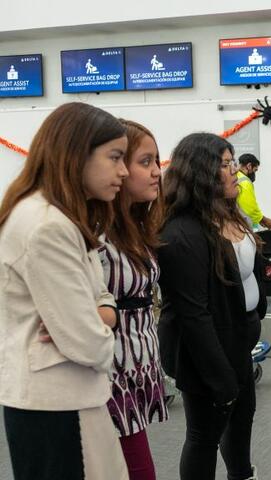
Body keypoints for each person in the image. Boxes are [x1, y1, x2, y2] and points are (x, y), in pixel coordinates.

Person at [0, 102, 129, 480]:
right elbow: (89, 344)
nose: (122, 171)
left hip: (64, 399)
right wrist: (97, 328)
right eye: (115, 157)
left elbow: (103, 302)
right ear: (75, 154)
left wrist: (100, 316)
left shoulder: (61, 217)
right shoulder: (47, 226)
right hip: (57, 405)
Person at [157, 133, 266, 480]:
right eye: (225, 164)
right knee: (205, 435)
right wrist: (220, 378)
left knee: (240, 419)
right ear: (201, 172)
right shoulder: (182, 232)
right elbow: (194, 316)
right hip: (207, 351)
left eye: (233, 162)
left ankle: (241, 474)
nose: (235, 171)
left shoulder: (230, 213)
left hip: (238, 341)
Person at [100, 119, 168, 480]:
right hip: (108, 373)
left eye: (157, 161)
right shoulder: (94, 232)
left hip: (136, 362)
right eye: (146, 162)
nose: (157, 172)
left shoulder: (137, 225)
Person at [236, 153, 271, 229]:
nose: (254, 174)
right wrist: (264, 220)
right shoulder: (245, 181)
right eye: (255, 170)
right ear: (249, 166)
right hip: (241, 224)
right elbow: (250, 208)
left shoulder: (235, 176)